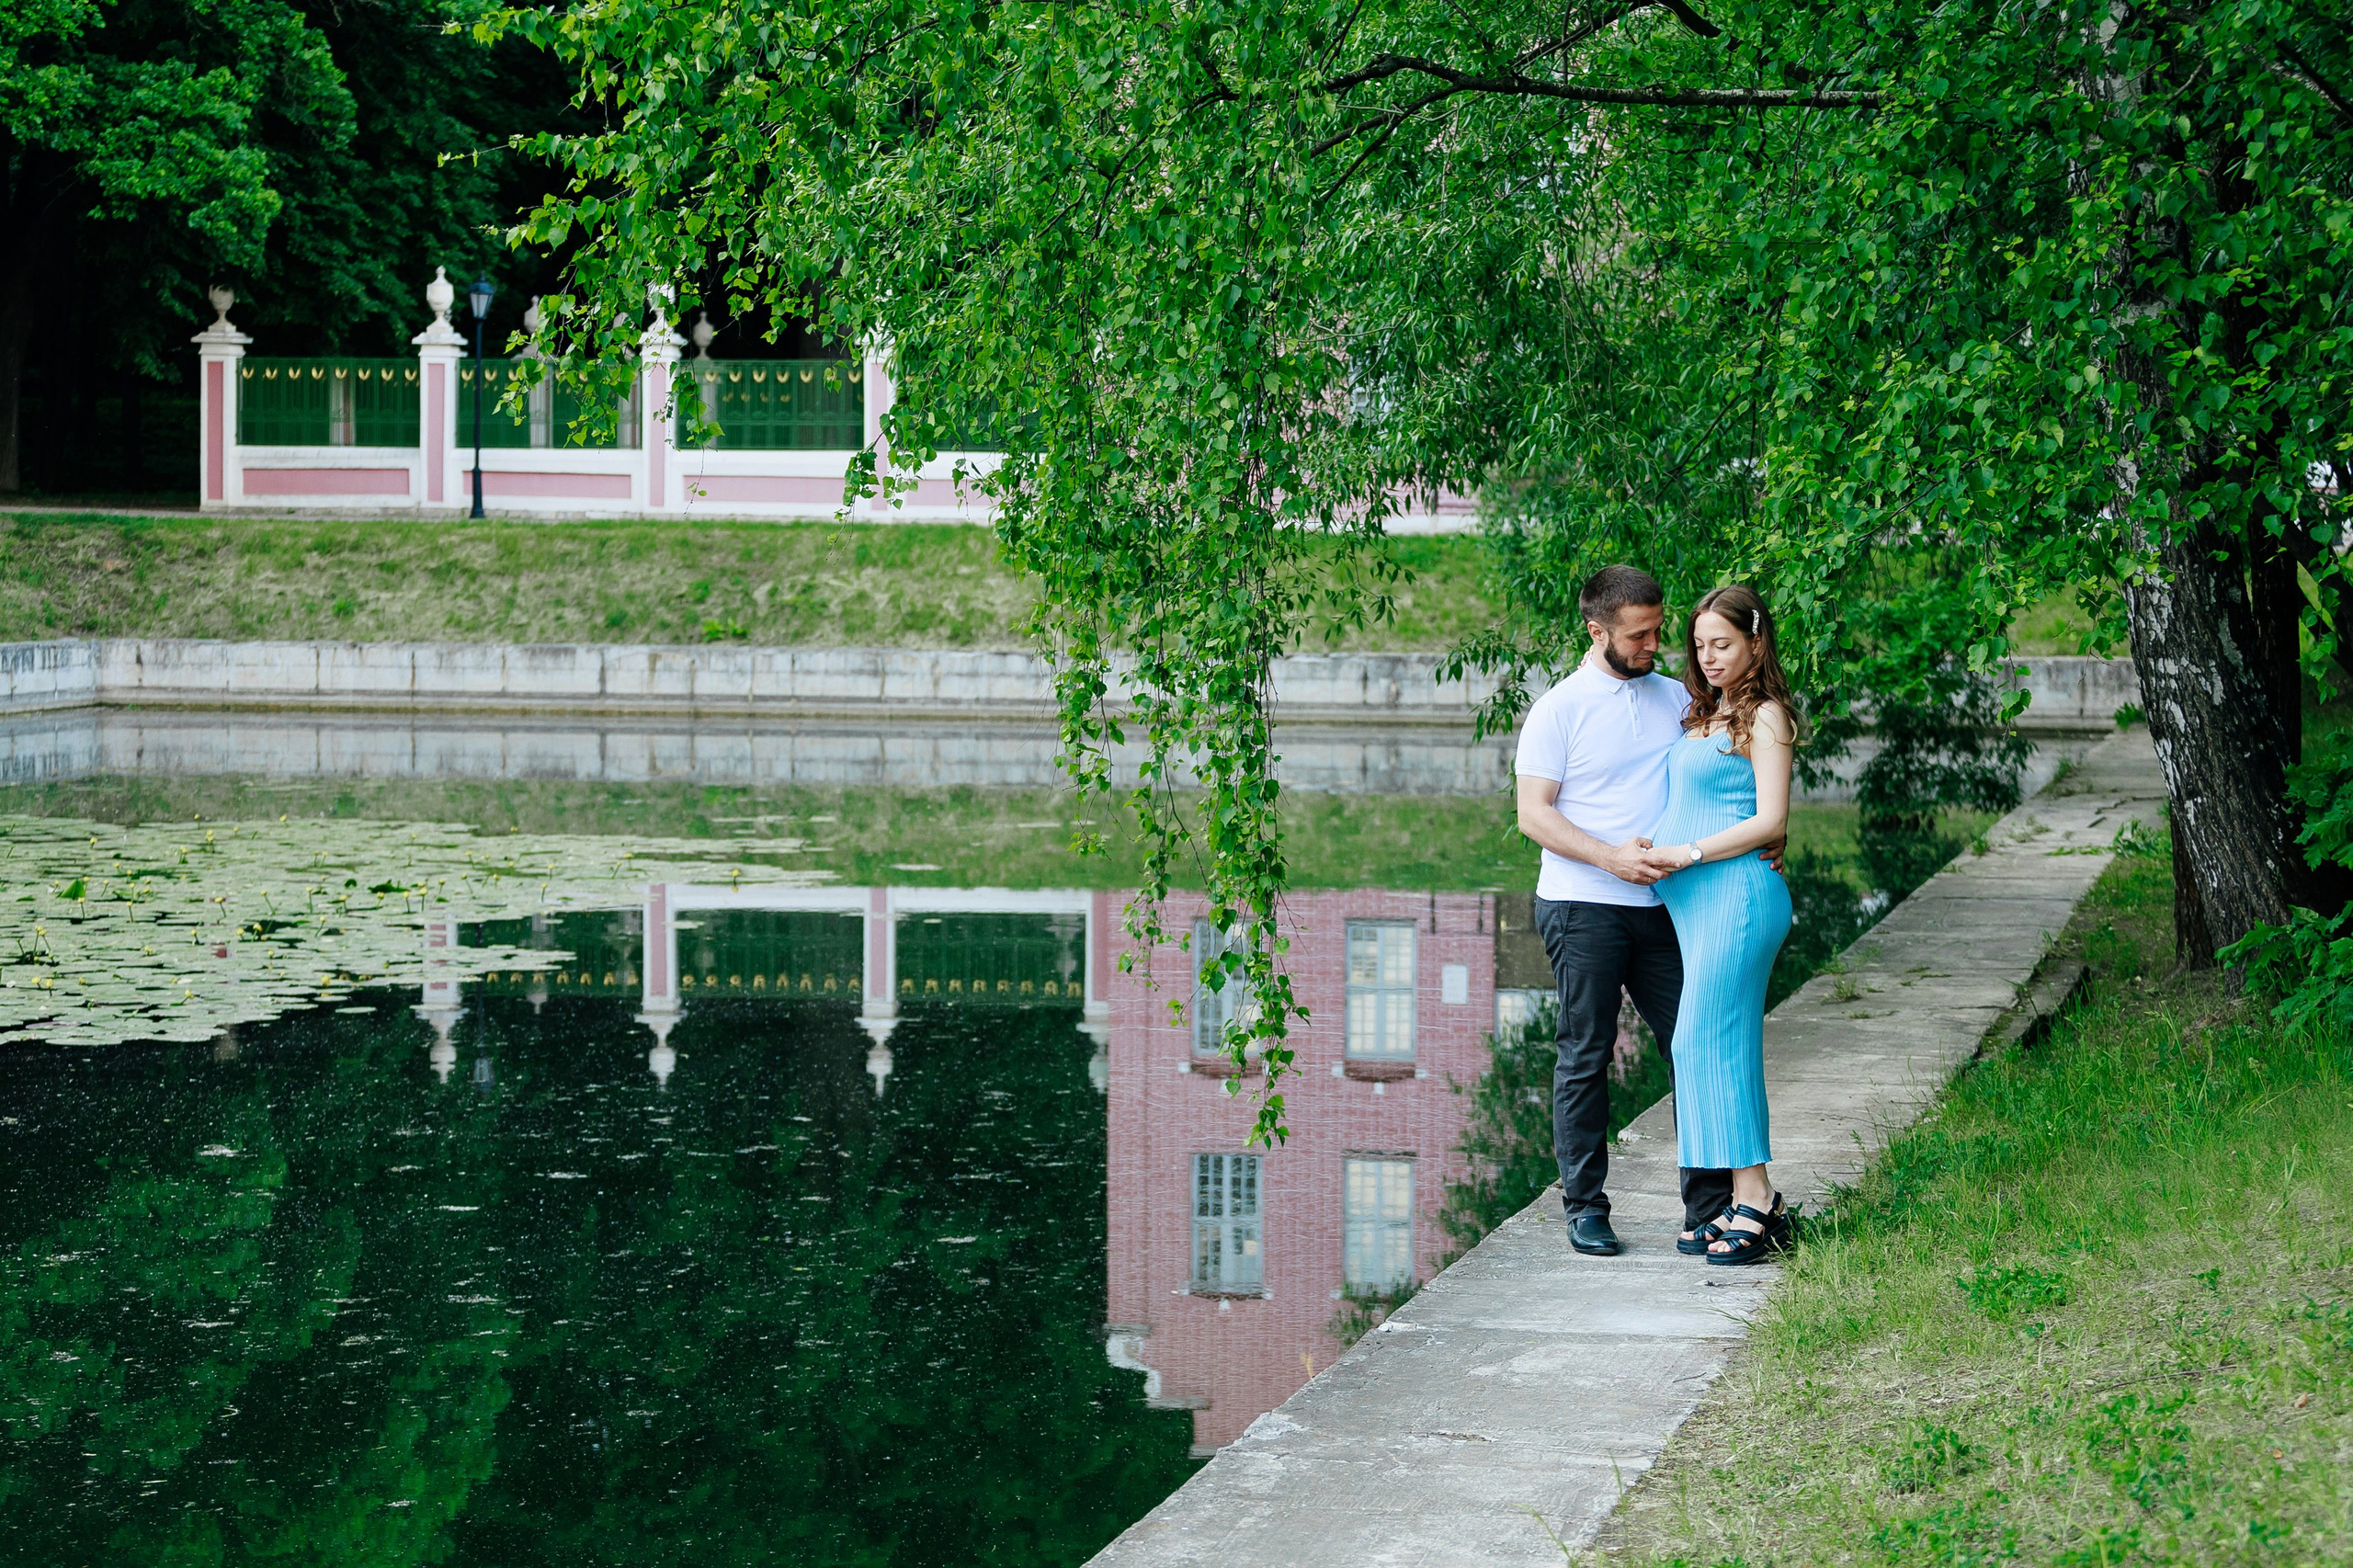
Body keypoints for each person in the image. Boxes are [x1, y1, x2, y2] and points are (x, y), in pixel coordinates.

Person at [1513, 565, 1735, 1257]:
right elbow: (1532, 815)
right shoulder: (1560, 709)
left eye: (1658, 630)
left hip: (1669, 904)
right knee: (1585, 1055)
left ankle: (1710, 1209)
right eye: (1639, 635)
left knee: (1695, 1045)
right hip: (1584, 905)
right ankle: (1585, 1208)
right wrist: (1610, 857)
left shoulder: (1676, 698)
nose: (1654, 644)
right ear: (1596, 630)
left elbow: (1721, 774)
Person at [1640, 584, 1797, 1264]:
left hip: (1738, 899)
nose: (1707, 656)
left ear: (1756, 642)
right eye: (1700, 645)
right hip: (1697, 905)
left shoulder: (1766, 717)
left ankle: (1758, 1199)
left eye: (1722, 644)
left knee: (1714, 1038)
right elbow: (1697, 801)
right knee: (1696, 1045)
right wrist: (1654, 843)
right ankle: (1738, 1198)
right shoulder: (1707, 715)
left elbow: (1770, 820)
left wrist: (1688, 852)